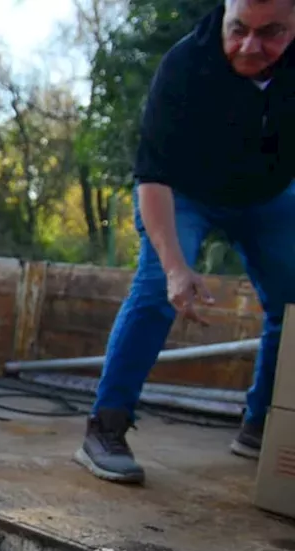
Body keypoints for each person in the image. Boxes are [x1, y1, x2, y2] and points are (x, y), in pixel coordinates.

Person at [77, 0, 295, 485]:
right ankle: (105, 426)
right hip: (184, 193)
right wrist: (177, 266)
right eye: (238, 29)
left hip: (268, 195)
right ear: (225, 12)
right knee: (157, 286)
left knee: (294, 300)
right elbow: (152, 177)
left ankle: (263, 424)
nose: (249, 47)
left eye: (272, 32)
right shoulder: (184, 65)